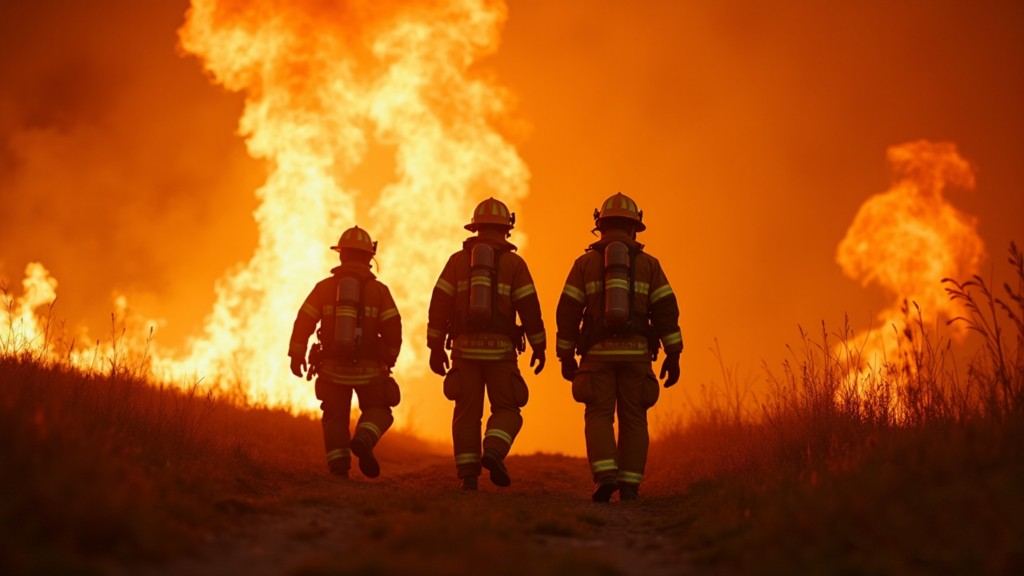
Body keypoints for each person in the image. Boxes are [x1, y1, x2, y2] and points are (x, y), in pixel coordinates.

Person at [555, 192, 683, 502]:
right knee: (634, 418)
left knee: (599, 415)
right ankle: (629, 485)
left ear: (599, 226)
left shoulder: (584, 264)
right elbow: (666, 312)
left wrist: (565, 354)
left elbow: (568, 311)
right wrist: (673, 353)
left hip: (596, 356)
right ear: (635, 227)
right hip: (636, 354)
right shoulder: (650, 266)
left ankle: (605, 477)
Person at [426, 197, 547, 490]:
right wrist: (539, 346)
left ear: (475, 227)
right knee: (507, 409)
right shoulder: (515, 264)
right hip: (501, 352)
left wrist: (435, 346)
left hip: (464, 350)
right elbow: (530, 308)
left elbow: (439, 305)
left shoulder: (456, 262)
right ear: (507, 229)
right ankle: (493, 449)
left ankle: (469, 475)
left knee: (467, 412)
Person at [288, 225, 402, 479]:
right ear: (368, 257)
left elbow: (303, 321)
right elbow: (394, 327)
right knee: (379, 409)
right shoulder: (379, 291)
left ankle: (339, 468)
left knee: (334, 417)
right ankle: (364, 437)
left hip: (331, 369)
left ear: (341, 255)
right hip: (370, 371)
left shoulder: (324, 288)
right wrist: (390, 358)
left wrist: (296, 355)